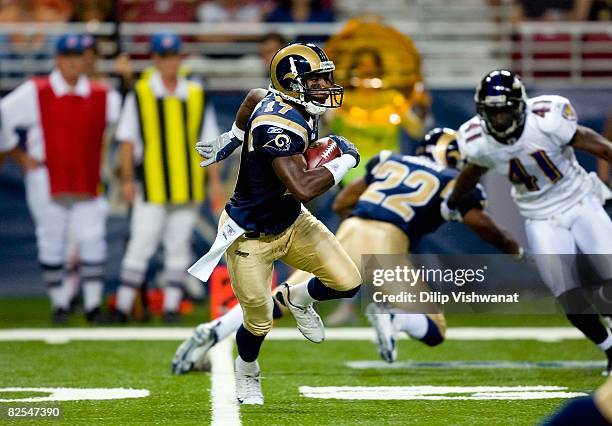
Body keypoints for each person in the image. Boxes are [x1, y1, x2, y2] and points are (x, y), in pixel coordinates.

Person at [172, 127, 522, 372]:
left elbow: (344, 201)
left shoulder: (390, 161)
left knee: (285, 296)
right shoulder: (451, 180)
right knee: (435, 329)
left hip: (354, 227)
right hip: (389, 242)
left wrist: (350, 230)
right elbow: (482, 223)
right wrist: (512, 248)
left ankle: (216, 330)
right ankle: (393, 316)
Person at [186, 42, 362, 405]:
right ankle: (247, 371)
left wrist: (232, 138)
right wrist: (345, 159)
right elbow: (301, 187)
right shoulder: (275, 127)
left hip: (291, 221)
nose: (324, 85)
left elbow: (253, 96)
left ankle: (296, 297)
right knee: (259, 321)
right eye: (315, 80)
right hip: (250, 237)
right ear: (292, 83)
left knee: (348, 281)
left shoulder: (289, 103)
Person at [443, 69, 612, 375]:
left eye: (505, 111)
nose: (499, 120)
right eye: (492, 113)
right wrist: (452, 201)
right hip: (540, 217)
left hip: (580, 200)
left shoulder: (548, 119)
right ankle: (610, 349)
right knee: (566, 292)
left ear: (520, 106)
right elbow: (472, 171)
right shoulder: (477, 141)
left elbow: (598, 145)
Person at [0, 33, 121, 324]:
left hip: (87, 174)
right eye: (67, 57)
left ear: (85, 60)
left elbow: (126, 121)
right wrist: (17, 155)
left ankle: (92, 305)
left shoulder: (104, 94)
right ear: (57, 59)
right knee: (51, 239)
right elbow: (3, 114)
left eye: (78, 57)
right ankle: (60, 305)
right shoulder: (36, 91)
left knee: (92, 239)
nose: (72, 63)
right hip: (45, 174)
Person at [113, 32, 222, 324]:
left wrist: (214, 184)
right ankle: (123, 306)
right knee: (141, 243)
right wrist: (126, 179)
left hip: (186, 185)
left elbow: (208, 141)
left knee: (179, 245)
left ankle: (172, 306)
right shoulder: (142, 93)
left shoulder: (196, 94)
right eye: (164, 56)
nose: (169, 62)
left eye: (174, 56)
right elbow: (127, 140)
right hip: (151, 184)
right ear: (156, 60)